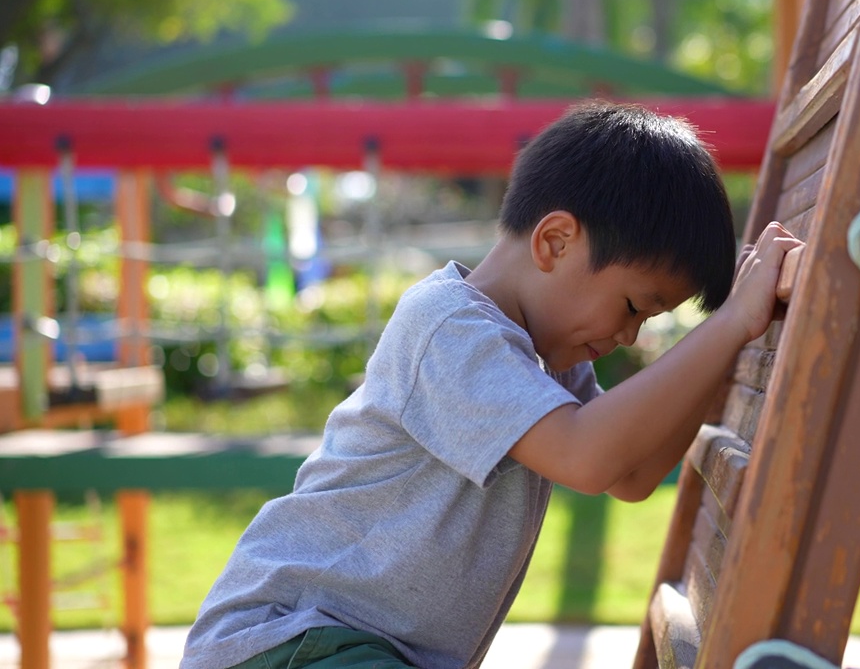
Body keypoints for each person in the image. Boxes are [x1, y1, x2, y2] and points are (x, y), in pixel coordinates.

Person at [180, 101, 803, 669]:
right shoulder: (450, 327)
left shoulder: (545, 356)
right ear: (555, 241)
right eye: (635, 306)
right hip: (293, 639)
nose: (632, 336)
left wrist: (732, 344)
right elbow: (586, 457)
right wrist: (725, 328)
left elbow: (629, 474)